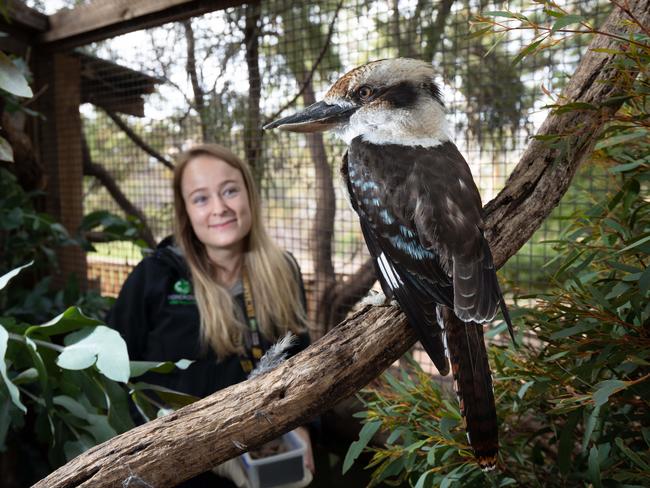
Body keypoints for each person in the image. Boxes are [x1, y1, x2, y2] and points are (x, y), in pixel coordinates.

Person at [107, 143, 314, 487]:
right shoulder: (156, 276)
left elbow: (301, 362)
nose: (220, 208)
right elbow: (113, 374)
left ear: (249, 194)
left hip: (260, 457)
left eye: (230, 191)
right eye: (201, 198)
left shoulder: (283, 270)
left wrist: (304, 427)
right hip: (174, 468)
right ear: (186, 211)